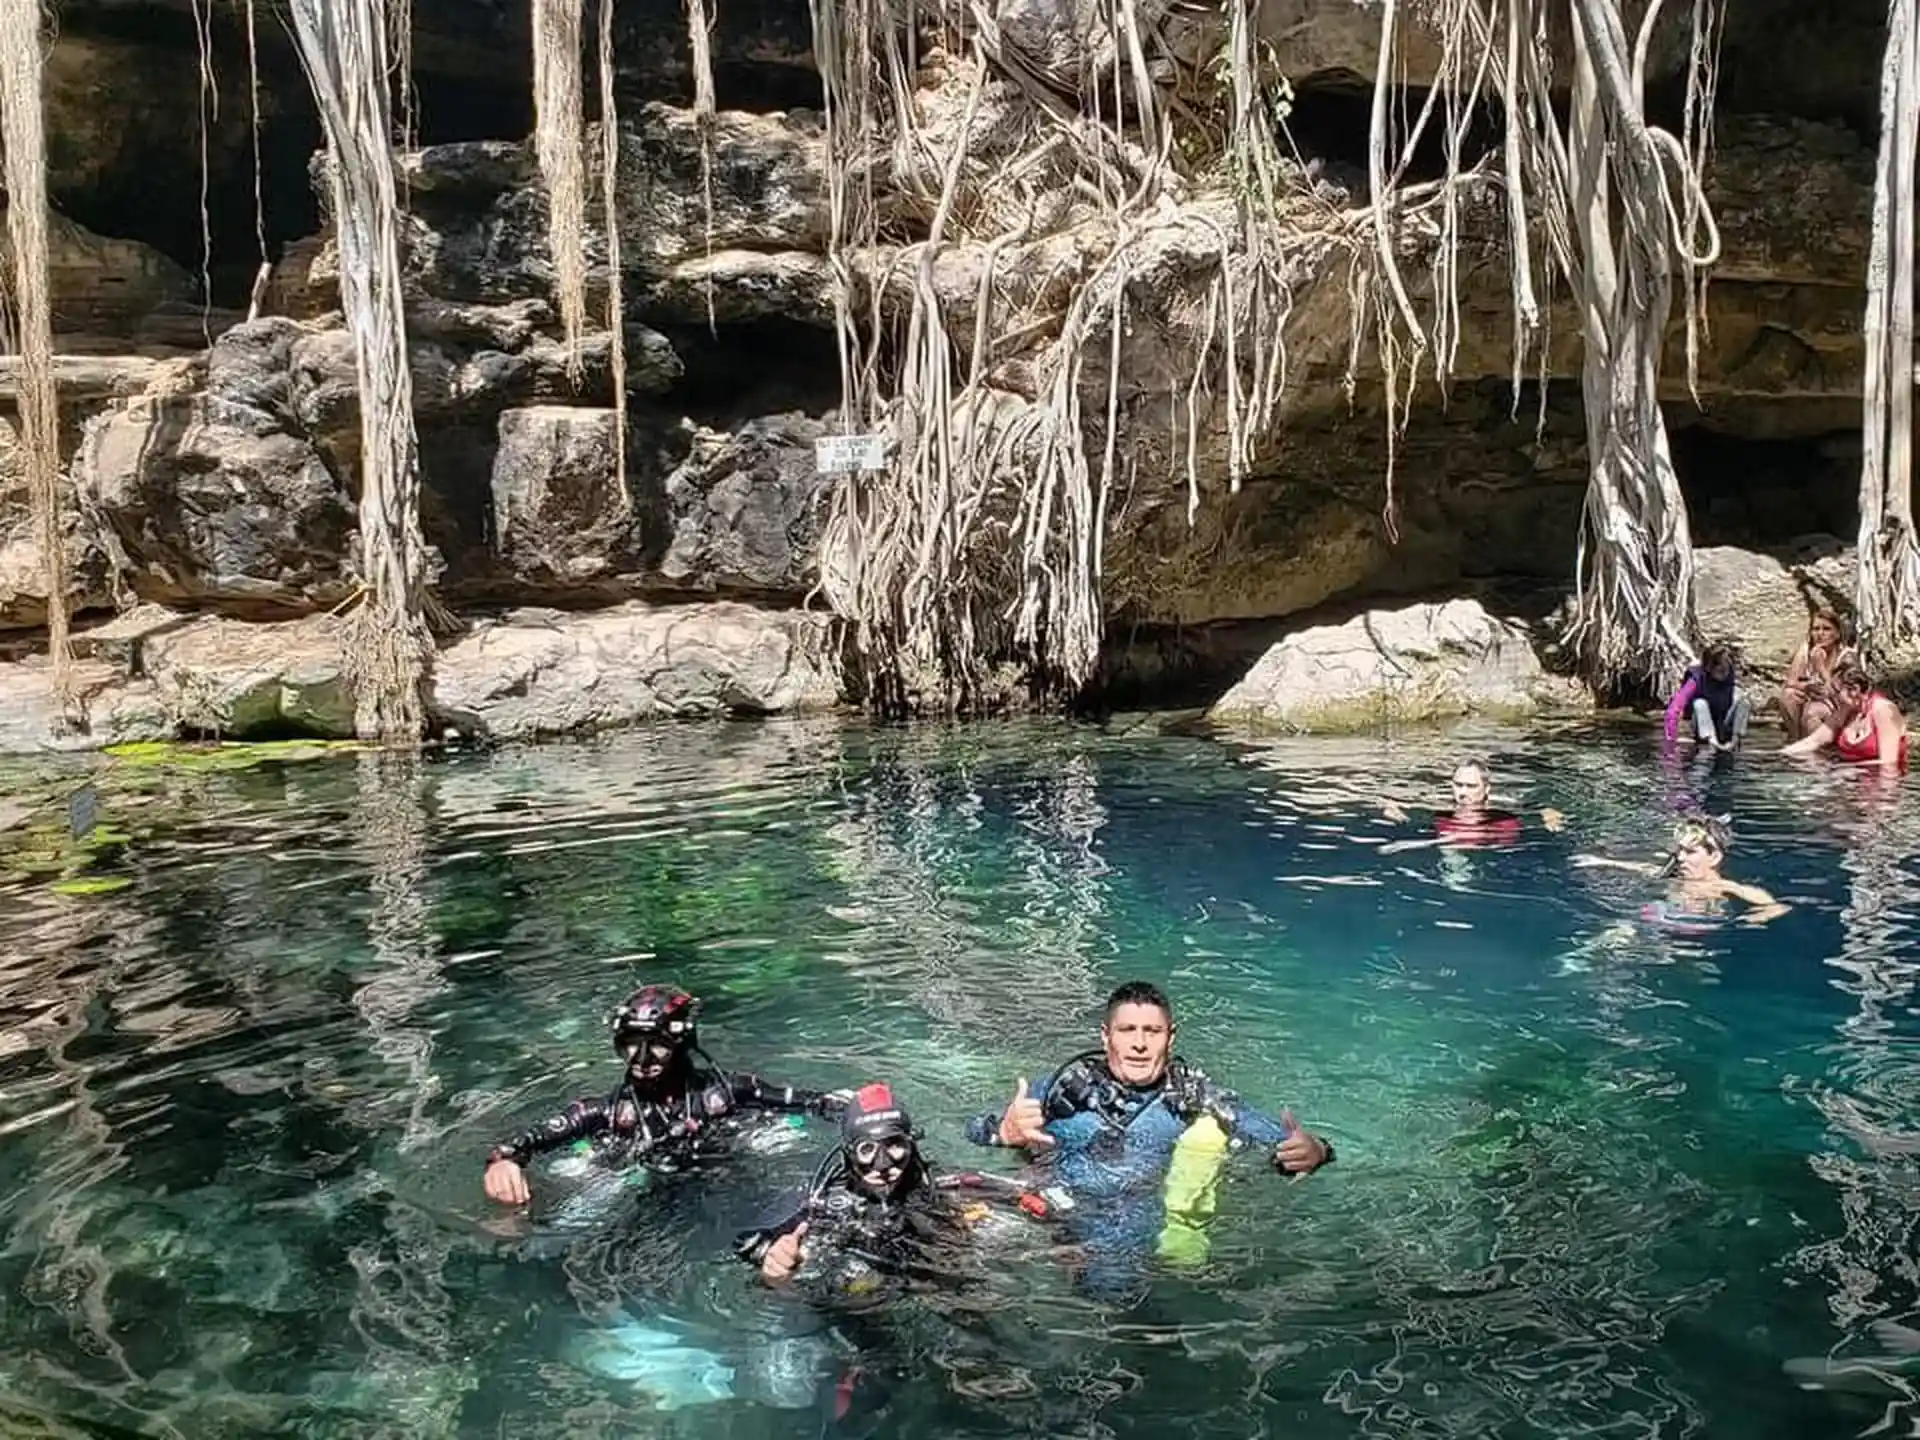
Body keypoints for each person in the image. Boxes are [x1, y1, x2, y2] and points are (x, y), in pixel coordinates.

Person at [964, 981, 1332, 1297]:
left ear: (1170, 1037)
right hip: (1043, 1198)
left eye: (1152, 1031)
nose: (1139, 1044)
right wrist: (1002, 1133)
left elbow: (1283, 1144)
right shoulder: (1062, 1089)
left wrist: (1316, 1151)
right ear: (1106, 1036)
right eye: (1127, 1030)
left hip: (1126, 1216)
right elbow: (976, 1130)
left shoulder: (1197, 1099)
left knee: (1113, 1285)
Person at [483, 984, 848, 1206]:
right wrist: (504, 1160)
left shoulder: (723, 1092)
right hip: (643, 1189)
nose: (642, 1060)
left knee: (778, 1138)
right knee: (582, 1183)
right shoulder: (610, 1110)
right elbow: (532, 1138)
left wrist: (850, 1107)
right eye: (631, 1047)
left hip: (724, 1183)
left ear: (682, 1044)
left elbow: (807, 1101)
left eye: (656, 1047)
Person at [738, 1083, 1063, 1298]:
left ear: (912, 1145)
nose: (882, 1165)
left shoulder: (940, 1185)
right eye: (867, 1150)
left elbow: (1026, 1196)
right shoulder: (821, 1202)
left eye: (894, 1146)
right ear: (848, 1154)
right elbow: (749, 1245)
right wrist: (775, 1265)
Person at [1571, 813, 1788, 928]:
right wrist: (1600, 861)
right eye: (1680, 850)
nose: (1680, 858)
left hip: (1691, 931)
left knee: (1623, 931)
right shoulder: (1672, 873)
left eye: (1690, 852)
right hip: (1658, 922)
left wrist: (1748, 921)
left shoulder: (1722, 886)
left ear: (1714, 857)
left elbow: (1777, 906)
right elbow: (1644, 868)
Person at [1379, 758, 1566, 850]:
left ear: (1486, 788)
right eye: (1458, 785)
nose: (1463, 792)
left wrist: (1550, 816)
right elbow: (1385, 800)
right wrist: (1391, 809)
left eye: (1471, 786)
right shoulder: (1440, 803)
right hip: (1454, 840)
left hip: (1498, 843)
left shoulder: (1505, 805)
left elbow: (1544, 807)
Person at [1781, 661, 1910, 773]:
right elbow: (1813, 741)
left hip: (1881, 781)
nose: (1832, 696)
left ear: (1855, 690)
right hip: (1848, 778)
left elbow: (1888, 763)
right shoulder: (1846, 709)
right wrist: (1781, 754)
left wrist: (1844, 768)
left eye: (1836, 691)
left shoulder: (1884, 710)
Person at [1779, 609, 1857, 741]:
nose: (1820, 634)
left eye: (1826, 629)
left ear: (1837, 634)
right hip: (1814, 699)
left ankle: (1819, 748)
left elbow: (1843, 695)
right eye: (1816, 629)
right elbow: (1791, 683)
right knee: (1788, 696)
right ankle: (1797, 739)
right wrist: (1808, 687)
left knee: (1814, 712)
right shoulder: (1806, 651)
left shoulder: (1847, 657)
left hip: (1838, 706)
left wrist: (1821, 667)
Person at [1664, 642, 1751, 752]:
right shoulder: (1696, 680)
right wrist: (1670, 742)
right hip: (1702, 726)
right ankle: (1711, 740)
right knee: (1700, 703)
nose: (1725, 674)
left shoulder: (1729, 676)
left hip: (1723, 722)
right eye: (1720, 671)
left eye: (1727, 670)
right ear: (1709, 668)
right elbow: (1673, 710)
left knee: (1744, 702)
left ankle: (1735, 740)